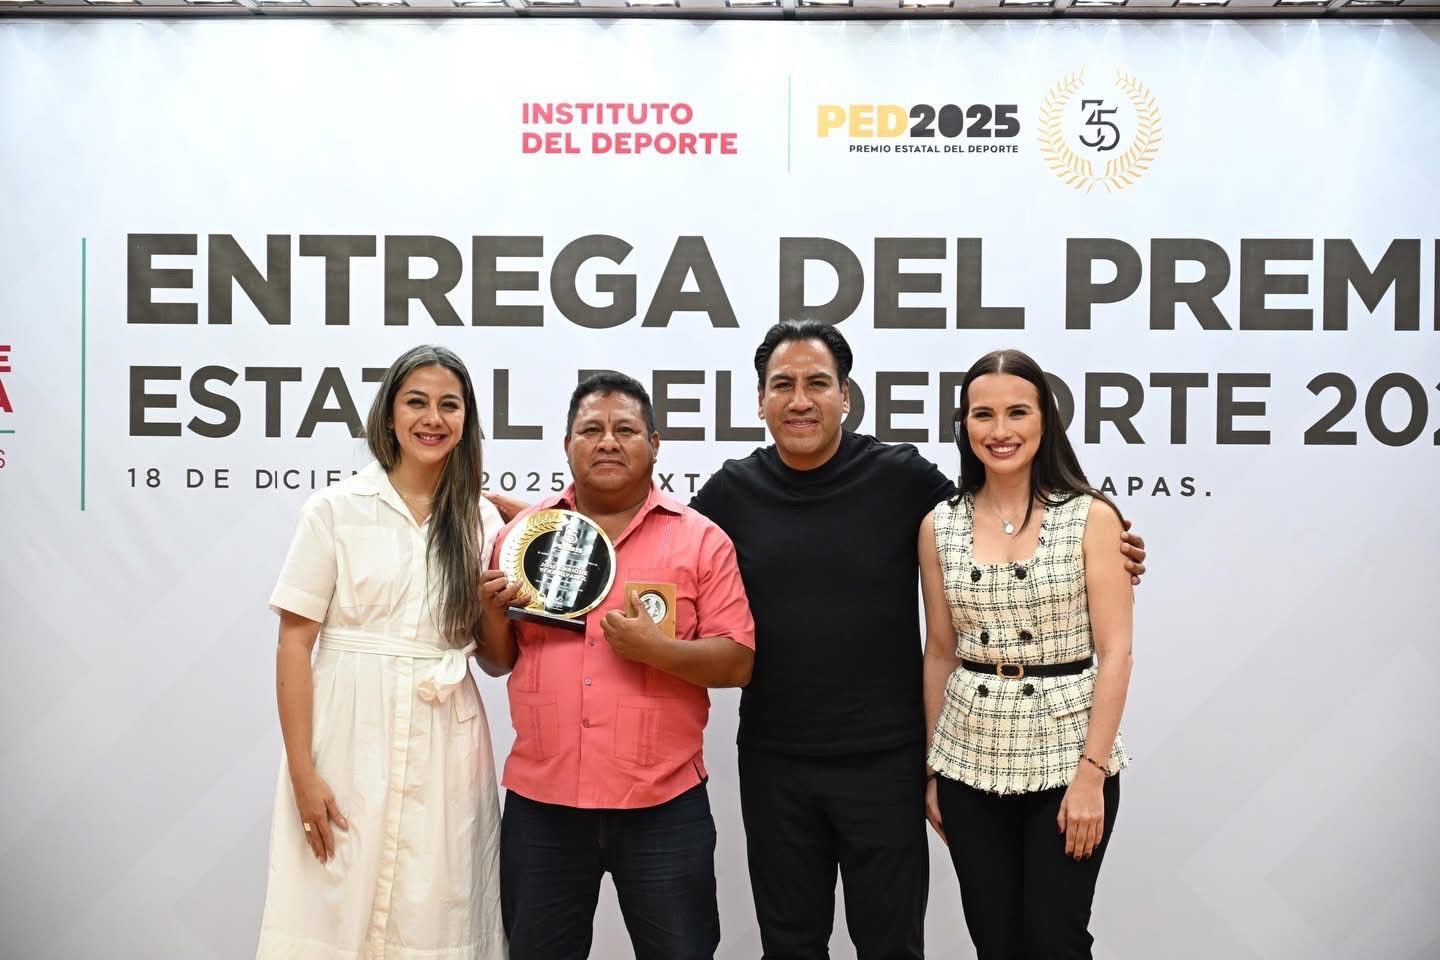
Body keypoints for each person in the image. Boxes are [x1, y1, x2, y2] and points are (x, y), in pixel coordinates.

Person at [688, 321, 1147, 960]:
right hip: (775, 760)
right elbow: (664, 557)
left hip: (886, 760)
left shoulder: (900, 477)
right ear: (760, 400)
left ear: (845, 395)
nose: (800, 400)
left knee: (897, 945)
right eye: (782, 385)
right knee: (789, 944)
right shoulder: (730, 492)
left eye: (817, 383)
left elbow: (997, 520)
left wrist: (1114, 550)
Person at [480, 372, 756, 960]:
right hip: (544, 806)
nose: (607, 441)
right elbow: (497, 661)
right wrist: (489, 614)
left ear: (654, 445)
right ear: (567, 445)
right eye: (591, 430)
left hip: (663, 805)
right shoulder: (525, 537)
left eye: (625, 429)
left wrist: (658, 651)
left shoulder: (701, 540)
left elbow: (737, 662)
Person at [257, 344, 507, 960]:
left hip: (447, 741)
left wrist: (495, 605)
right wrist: (303, 772)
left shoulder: (480, 521)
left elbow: (497, 660)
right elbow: (294, 642)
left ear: (467, 420)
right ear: (389, 413)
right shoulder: (335, 510)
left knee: (438, 908)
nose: (433, 418)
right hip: (346, 734)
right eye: (416, 402)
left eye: (450, 405)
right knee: (329, 906)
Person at [920, 348, 1133, 959]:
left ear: (1046, 420)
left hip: (1069, 756)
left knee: (1055, 938)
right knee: (995, 941)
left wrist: (1091, 777)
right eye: (982, 414)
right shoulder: (939, 525)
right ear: (964, 425)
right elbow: (939, 652)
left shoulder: (1092, 517)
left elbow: (1117, 652)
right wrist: (932, 769)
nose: (1000, 430)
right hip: (968, 759)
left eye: (1018, 412)